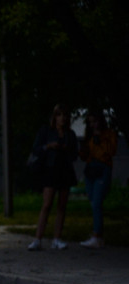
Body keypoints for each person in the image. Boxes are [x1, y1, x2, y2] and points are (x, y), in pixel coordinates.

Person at [28, 104, 79, 250]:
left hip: (65, 170)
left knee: (62, 206)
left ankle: (57, 238)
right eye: (59, 115)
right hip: (50, 169)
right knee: (47, 204)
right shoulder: (46, 131)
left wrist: (66, 149)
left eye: (64, 115)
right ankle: (38, 238)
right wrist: (49, 146)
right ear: (55, 117)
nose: (62, 118)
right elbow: (36, 149)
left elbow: (74, 154)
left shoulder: (70, 134)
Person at [78, 109, 118, 248]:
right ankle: (97, 233)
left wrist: (100, 139)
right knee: (93, 201)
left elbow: (110, 151)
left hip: (102, 168)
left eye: (95, 121)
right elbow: (84, 155)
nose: (93, 125)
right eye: (90, 122)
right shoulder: (89, 137)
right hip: (91, 169)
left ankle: (97, 235)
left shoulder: (109, 135)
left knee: (97, 202)